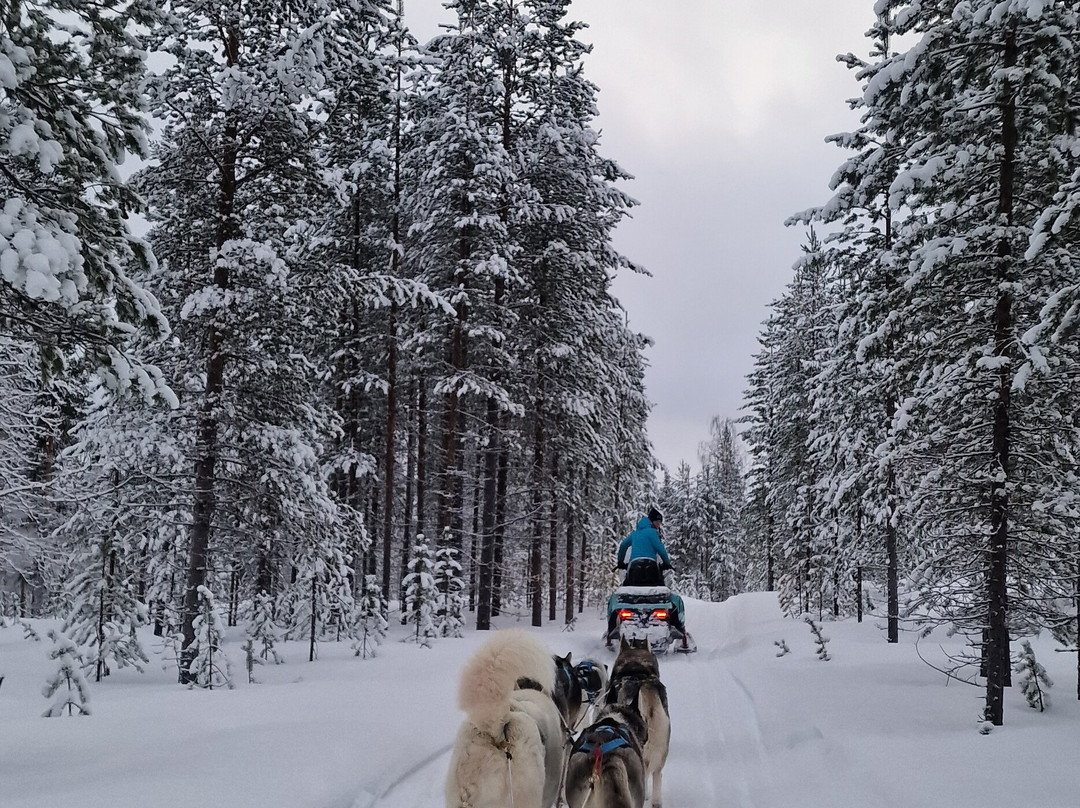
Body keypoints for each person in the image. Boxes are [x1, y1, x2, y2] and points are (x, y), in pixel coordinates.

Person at [606, 507, 689, 647]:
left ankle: (613, 627)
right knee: (661, 590)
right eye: (658, 521)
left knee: (626, 590)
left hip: (633, 570)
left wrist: (620, 562)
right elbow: (660, 548)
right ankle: (675, 626)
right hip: (650, 569)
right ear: (653, 521)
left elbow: (623, 546)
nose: (659, 524)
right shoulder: (652, 533)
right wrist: (667, 563)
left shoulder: (635, 533)